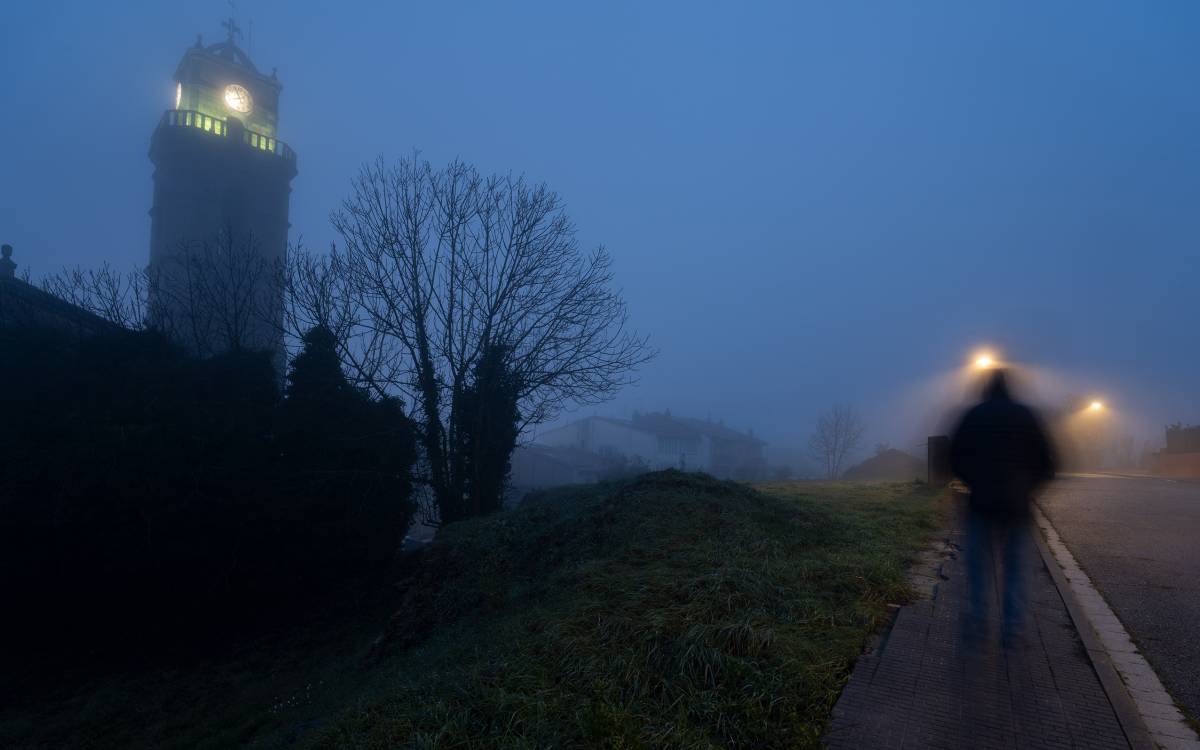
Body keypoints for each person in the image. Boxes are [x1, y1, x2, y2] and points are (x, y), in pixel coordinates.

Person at [949, 369, 1056, 646]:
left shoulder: (974, 415)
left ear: (986, 389)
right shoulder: (1026, 416)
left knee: (978, 568)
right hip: (1017, 507)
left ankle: (978, 621)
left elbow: (953, 457)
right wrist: (1026, 488)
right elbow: (1049, 464)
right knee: (1016, 569)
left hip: (981, 504)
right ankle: (1013, 629)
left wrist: (973, 481)